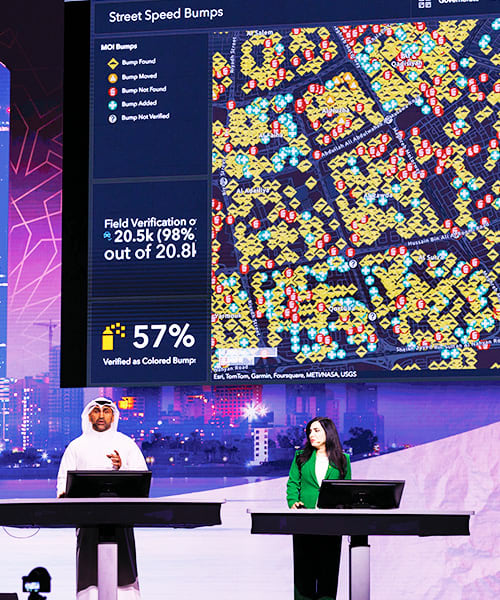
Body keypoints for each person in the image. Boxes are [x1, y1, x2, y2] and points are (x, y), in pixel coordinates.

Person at [57, 397, 148, 600]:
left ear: (113, 416)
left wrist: (122, 467)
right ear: (89, 415)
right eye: (96, 411)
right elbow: (63, 482)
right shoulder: (76, 446)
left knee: (124, 566)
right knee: (88, 566)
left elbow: (142, 478)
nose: (100, 415)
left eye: (106, 411)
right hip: (86, 518)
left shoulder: (126, 444)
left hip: (121, 518)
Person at [286, 417, 352, 600]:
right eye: (309, 431)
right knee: (303, 570)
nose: (311, 435)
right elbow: (293, 484)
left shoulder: (343, 459)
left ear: (328, 433)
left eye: (316, 430)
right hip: (303, 519)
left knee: (328, 571)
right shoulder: (300, 457)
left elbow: (347, 490)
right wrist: (293, 501)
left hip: (332, 521)